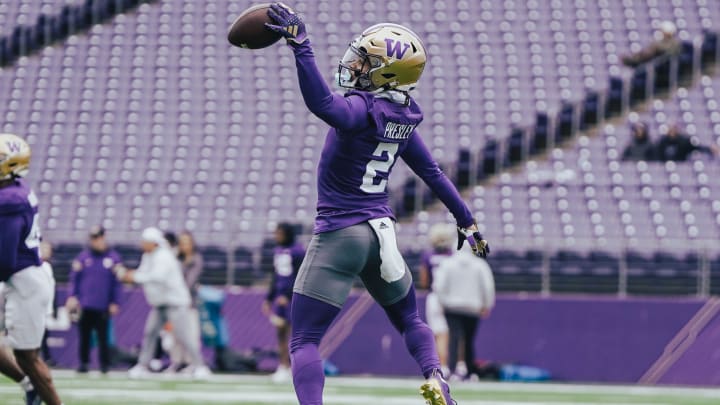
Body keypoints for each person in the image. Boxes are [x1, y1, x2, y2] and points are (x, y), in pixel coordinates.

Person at [262, 5, 489, 405]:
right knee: (409, 320)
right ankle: (436, 376)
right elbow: (432, 173)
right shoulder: (401, 117)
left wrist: (302, 47)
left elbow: (324, 106)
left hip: (340, 233)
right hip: (381, 235)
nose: (354, 64)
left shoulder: (362, 109)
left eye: (365, 61)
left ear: (387, 72)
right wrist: (467, 222)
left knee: (304, 340)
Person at [0, 133, 63, 405]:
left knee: (28, 356)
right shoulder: (11, 190)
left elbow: (5, 259)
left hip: (23, 279)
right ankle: (29, 385)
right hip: (16, 276)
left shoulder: (11, 199)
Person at [117, 227, 211, 380]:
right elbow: (143, 272)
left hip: (175, 302)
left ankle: (200, 366)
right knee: (150, 333)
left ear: (153, 243)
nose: (142, 244)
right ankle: (142, 365)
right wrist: (131, 275)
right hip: (160, 302)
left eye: (145, 242)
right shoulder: (148, 256)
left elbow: (157, 277)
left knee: (184, 335)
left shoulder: (164, 256)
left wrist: (133, 277)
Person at [432, 242, 495, 380]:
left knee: (453, 339)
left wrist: (442, 302)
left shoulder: (447, 264)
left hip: (452, 307)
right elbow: (488, 286)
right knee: (469, 340)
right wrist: (487, 305)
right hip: (473, 307)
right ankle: (470, 372)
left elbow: (440, 285)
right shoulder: (480, 265)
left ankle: (452, 370)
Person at [65, 225, 122, 373]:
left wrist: (115, 301)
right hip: (85, 304)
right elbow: (74, 279)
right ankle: (84, 363)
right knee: (84, 336)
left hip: (103, 305)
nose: (96, 242)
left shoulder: (113, 258)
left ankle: (105, 364)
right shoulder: (83, 257)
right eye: (93, 238)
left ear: (103, 238)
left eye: (98, 238)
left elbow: (117, 283)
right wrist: (72, 296)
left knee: (104, 337)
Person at [262, 223, 305, 383]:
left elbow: (301, 274)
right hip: (280, 296)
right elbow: (275, 277)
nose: (277, 236)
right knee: (280, 332)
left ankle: (297, 367)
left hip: (294, 296)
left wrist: (288, 295)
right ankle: (283, 366)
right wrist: (269, 298)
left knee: (295, 333)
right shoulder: (277, 251)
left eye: (280, 233)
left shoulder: (298, 251)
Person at [419, 224, 455, 376]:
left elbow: (424, 281)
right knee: (452, 333)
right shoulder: (453, 255)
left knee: (437, 333)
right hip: (452, 296)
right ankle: (456, 366)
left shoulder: (428, 255)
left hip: (435, 296)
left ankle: (442, 366)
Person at [165, 230, 204, 373]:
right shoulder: (175, 259)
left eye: (187, 242)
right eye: (182, 243)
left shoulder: (196, 259)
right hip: (174, 303)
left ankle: (191, 362)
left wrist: (179, 292)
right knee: (175, 335)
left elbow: (189, 282)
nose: (184, 246)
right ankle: (177, 361)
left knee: (191, 334)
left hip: (189, 303)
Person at [38, 241, 56, 367]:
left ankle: (44, 358)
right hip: (28, 304)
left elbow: (50, 290)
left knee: (42, 332)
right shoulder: (32, 266)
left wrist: (50, 308)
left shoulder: (47, 267)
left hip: (40, 306)